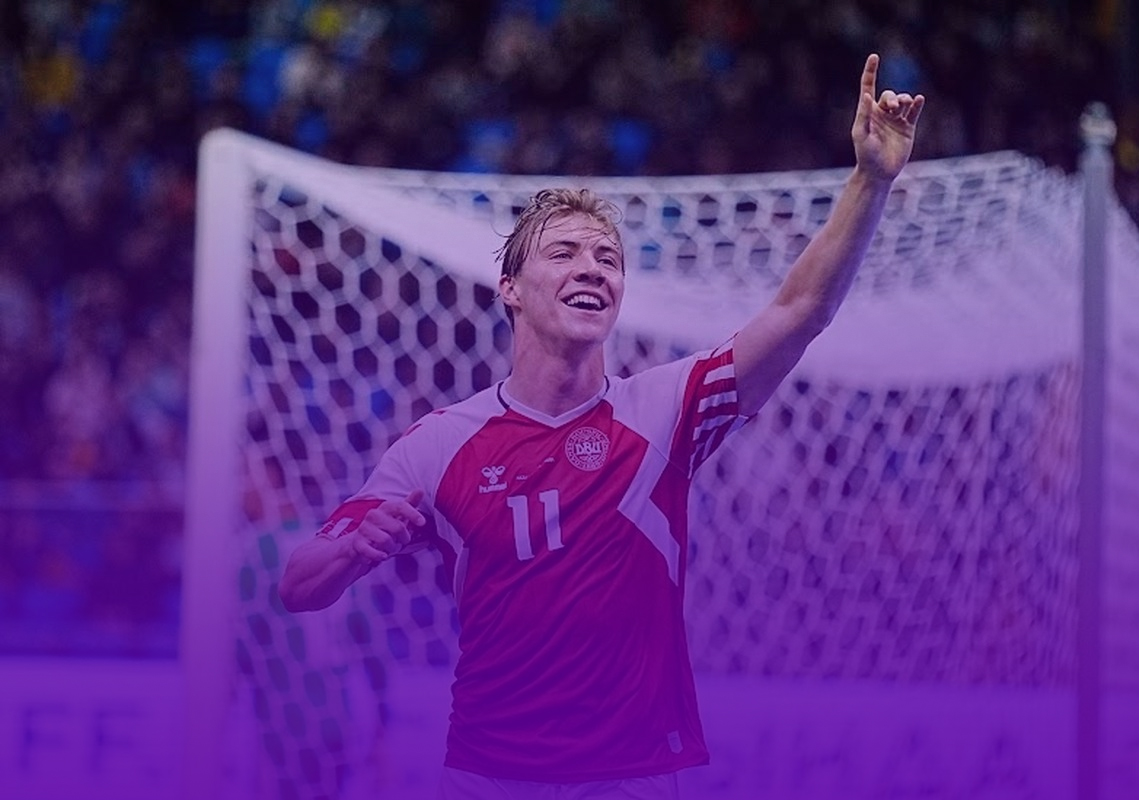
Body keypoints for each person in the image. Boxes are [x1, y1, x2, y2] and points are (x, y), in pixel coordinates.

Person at [279, 53, 923, 800]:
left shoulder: (668, 410)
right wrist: (354, 547)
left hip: (633, 777)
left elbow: (800, 311)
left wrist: (870, 181)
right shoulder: (439, 444)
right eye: (565, 253)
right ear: (511, 289)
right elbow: (299, 584)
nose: (593, 268)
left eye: (608, 259)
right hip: (487, 777)